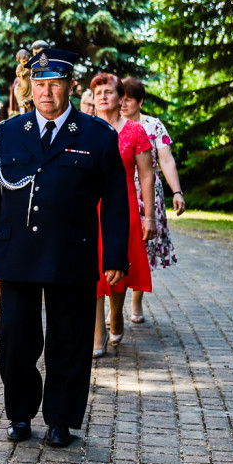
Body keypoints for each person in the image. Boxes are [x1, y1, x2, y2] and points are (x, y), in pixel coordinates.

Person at [0, 48, 129, 448]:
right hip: (17, 254)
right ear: (31, 86)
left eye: (55, 84)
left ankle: (61, 419)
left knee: (69, 341)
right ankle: (20, 414)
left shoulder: (97, 136)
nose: (46, 92)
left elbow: (115, 200)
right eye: (40, 84)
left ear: (70, 87)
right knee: (15, 341)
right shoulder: (7, 133)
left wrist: (114, 255)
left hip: (70, 253)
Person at [90, 73, 155, 356]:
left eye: (108, 91)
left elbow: (148, 175)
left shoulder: (135, 131)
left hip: (125, 205)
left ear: (121, 98)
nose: (103, 96)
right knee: (90, 268)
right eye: (98, 92)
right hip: (90, 205)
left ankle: (116, 314)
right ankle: (97, 330)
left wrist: (149, 216)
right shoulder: (86, 128)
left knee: (117, 267)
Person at [120, 76, 185, 323]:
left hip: (148, 194)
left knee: (144, 248)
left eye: (129, 100)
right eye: (122, 99)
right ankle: (113, 308)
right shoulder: (111, 125)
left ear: (141, 101)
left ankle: (136, 302)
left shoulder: (153, 126)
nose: (124, 105)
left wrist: (177, 191)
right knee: (119, 246)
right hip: (121, 191)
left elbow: (166, 160)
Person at [11, 49, 33, 115]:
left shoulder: (29, 66)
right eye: (24, 61)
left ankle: (29, 96)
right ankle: (23, 96)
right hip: (23, 80)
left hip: (29, 80)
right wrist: (23, 73)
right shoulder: (20, 66)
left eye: (27, 61)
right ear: (19, 61)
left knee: (30, 86)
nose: (26, 62)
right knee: (25, 86)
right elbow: (18, 73)